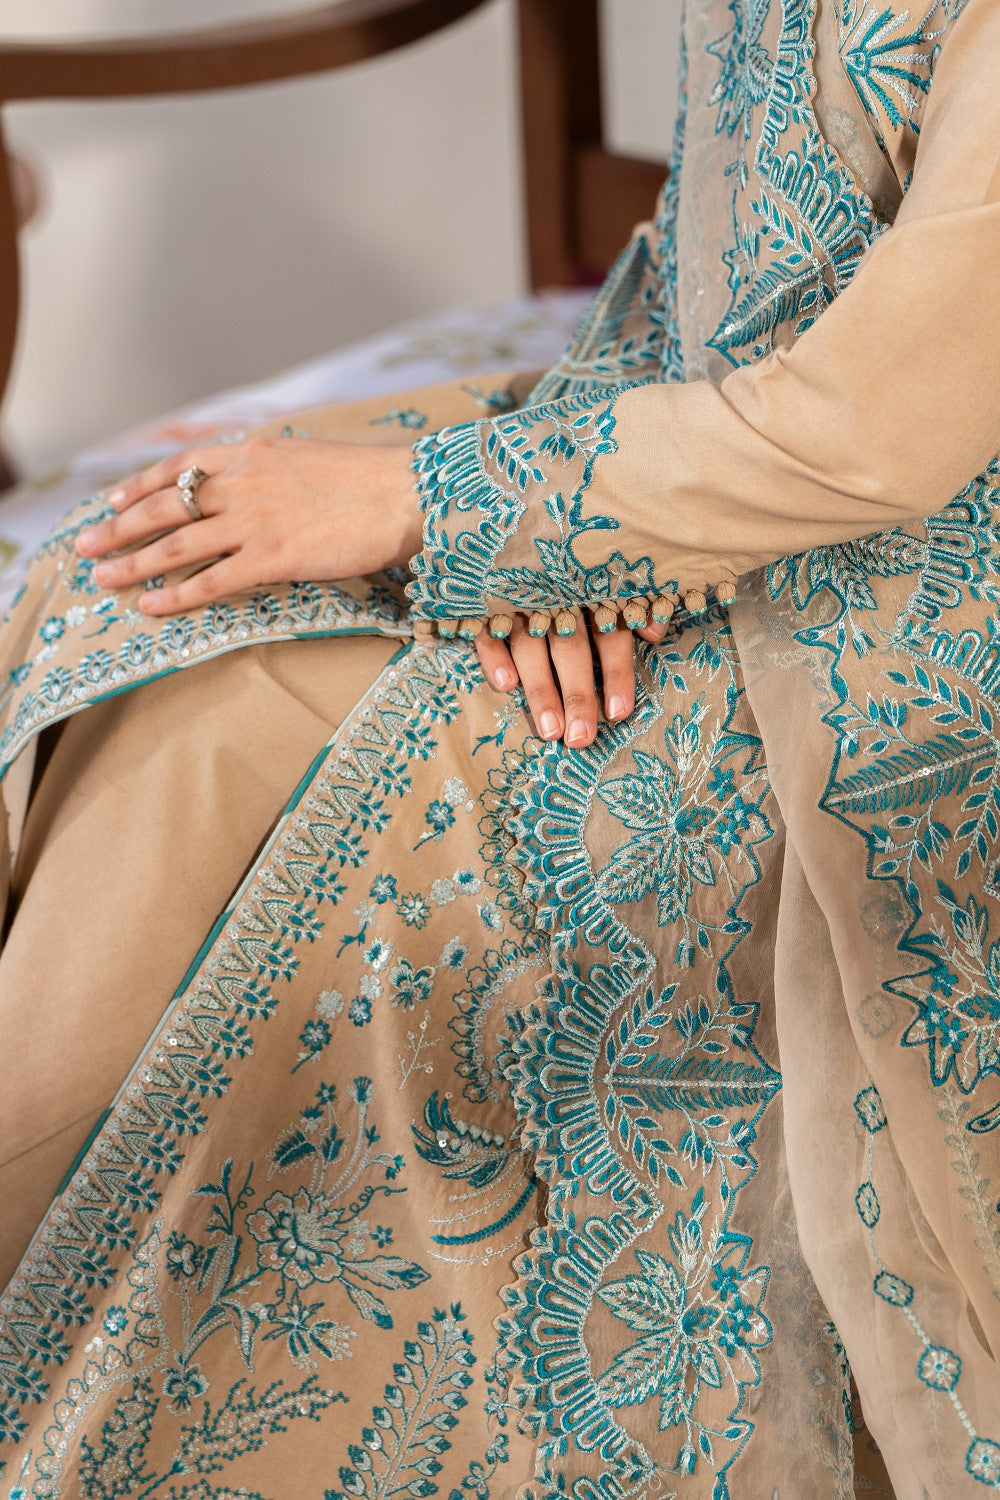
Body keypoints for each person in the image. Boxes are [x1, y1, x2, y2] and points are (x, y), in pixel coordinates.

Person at [0, 0, 998, 1493]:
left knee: (242, 744)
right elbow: (719, 237)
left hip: (900, 603)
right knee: (127, 581)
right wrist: (563, 512)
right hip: (670, 431)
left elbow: (884, 422)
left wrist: (468, 510)